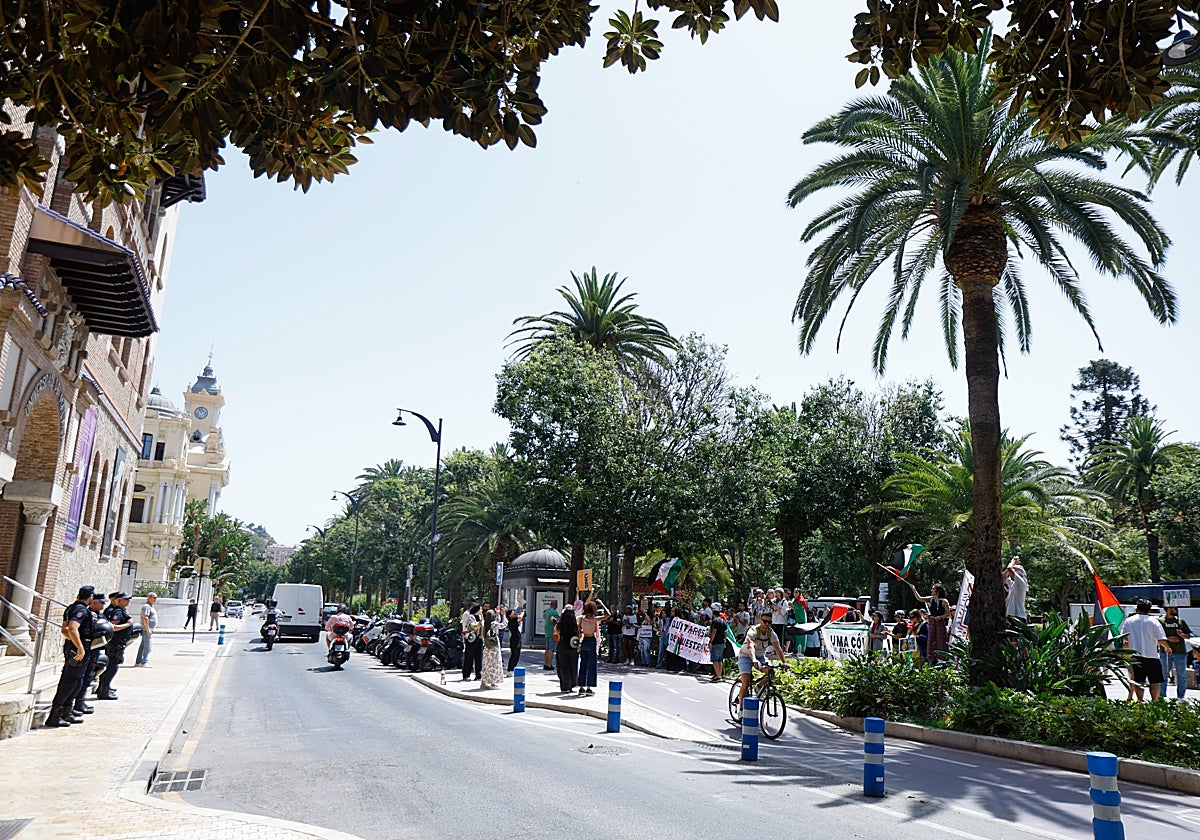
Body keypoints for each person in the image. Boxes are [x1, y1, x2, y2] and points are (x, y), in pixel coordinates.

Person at [46, 586, 95, 727]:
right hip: (78, 650)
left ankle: (66, 712)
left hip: (74, 647)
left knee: (76, 680)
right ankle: (54, 716)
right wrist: (79, 648)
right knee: (70, 681)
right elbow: (72, 628)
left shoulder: (71, 608)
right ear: (90, 597)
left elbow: (64, 630)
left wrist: (73, 643)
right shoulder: (81, 610)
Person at [1120, 599, 1171, 702]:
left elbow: (1124, 637)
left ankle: (1140, 701)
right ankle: (1154, 702)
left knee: (1139, 681)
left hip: (1135, 656)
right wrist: (1167, 647)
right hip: (1151, 655)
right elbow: (1160, 639)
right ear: (1149, 610)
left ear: (1137, 608)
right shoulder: (1153, 621)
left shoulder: (1129, 621)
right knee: (1154, 681)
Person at [736, 613, 786, 713]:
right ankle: (741, 709)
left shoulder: (771, 633)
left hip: (760, 657)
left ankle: (759, 687)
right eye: (765, 621)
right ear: (760, 621)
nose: (767, 624)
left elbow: (778, 648)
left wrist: (784, 662)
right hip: (746, 656)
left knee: (771, 672)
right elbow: (750, 646)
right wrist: (754, 659)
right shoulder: (753, 630)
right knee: (745, 682)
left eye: (769, 622)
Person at [72, 592, 111, 716]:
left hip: (95, 650)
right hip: (88, 649)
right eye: (102, 602)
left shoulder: (100, 615)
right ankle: (76, 704)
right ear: (93, 603)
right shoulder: (87, 614)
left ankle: (80, 702)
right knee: (82, 677)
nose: (104, 605)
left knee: (88, 677)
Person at [97, 592, 134, 700]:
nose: (128, 601)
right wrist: (128, 624)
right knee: (111, 668)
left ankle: (105, 689)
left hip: (119, 644)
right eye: (125, 599)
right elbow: (113, 626)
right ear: (118, 600)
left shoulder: (121, 611)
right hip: (115, 644)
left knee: (113, 667)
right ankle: (104, 691)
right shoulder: (117, 612)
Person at [908, 581, 951, 663]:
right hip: (932, 622)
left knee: (940, 639)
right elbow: (919, 598)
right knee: (931, 640)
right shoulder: (931, 599)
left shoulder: (944, 601)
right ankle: (932, 658)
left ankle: (942, 659)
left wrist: (940, 617)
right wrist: (914, 589)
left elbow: (948, 614)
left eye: (933, 588)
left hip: (939, 622)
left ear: (938, 590)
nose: (931, 590)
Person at [1158, 605, 1192, 701]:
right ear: (1168, 609)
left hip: (1180, 652)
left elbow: (1188, 636)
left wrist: (1182, 635)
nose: (1176, 610)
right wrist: (1168, 639)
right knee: (1163, 675)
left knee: (1181, 675)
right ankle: (1162, 696)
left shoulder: (1180, 621)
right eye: (1174, 608)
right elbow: (1156, 636)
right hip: (1165, 652)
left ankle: (1181, 697)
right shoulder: (1160, 621)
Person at [577, 601, 602, 695]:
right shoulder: (594, 619)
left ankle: (581, 686)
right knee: (591, 665)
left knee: (583, 664)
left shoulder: (581, 619)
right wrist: (601, 603)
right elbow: (608, 614)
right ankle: (589, 687)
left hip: (584, 641)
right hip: (592, 640)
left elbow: (579, 631)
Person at [555, 604, 579, 694]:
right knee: (573, 665)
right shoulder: (575, 624)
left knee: (564, 666)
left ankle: (565, 686)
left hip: (563, 644)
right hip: (573, 645)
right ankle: (573, 684)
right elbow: (579, 633)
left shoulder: (561, 624)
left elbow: (556, 632)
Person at [481, 609, 505, 688]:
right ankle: (493, 682)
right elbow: (503, 625)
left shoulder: (485, 624)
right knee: (494, 664)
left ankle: (484, 681)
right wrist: (503, 615)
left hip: (487, 646)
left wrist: (498, 615)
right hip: (494, 645)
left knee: (486, 664)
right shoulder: (494, 624)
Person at [461, 603, 483, 681]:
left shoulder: (480, 617)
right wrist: (481, 621)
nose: (481, 610)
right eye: (480, 609)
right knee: (469, 657)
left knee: (478, 657)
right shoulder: (471, 617)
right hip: (471, 639)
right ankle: (466, 674)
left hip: (479, 639)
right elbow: (474, 626)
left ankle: (478, 674)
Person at [135, 592, 158, 666]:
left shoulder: (151, 606)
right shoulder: (147, 607)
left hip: (148, 629)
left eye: (156, 598)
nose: (155, 599)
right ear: (149, 598)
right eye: (154, 597)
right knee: (148, 646)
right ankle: (145, 661)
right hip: (147, 629)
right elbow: (145, 618)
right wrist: (148, 629)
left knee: (143, 645)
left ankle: (139, 661)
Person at [1004, 556, 1029, 621]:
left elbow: (1009, 568)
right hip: (1011, 616)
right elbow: (1003, 577)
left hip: (1019, 617)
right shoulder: (1012, 583)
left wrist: (1013, 561)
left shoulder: (1021, 581)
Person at [708, 605, 727, 682]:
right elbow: (726, 631)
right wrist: (724, 639)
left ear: (713, 614)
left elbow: (714, 631)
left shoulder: (715, 621)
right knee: (720, 660)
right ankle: (719, 675)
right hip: (722, 642)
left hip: (716, 642)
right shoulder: (723, 621)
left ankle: (718, 676)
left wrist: (710, 641)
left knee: (715, 660)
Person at [542, 599, 559, 670]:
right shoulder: (554, 612)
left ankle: (546, 663)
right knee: (551, 649)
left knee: (547, 648)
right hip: (552, 632)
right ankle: (549, 664)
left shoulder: (547, 611)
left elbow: (544, 617)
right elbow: (557, 622)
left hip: (547, 631)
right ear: (555, 605)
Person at [506, 607, 523, 673]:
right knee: (514, 654)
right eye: (513, 612)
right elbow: (520, 618)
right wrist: (522, 612)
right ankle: (510, 669)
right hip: (514, 639)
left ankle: (512, 668)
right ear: (510, 615)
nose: (515, 613)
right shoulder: (511, 620)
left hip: (518, 638)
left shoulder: (514, 618)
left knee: (517, 654)